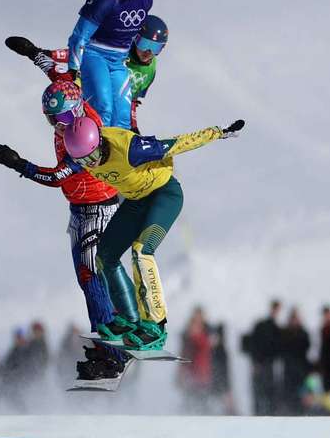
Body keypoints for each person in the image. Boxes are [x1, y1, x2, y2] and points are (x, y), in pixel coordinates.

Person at [0, 80, 131, 380]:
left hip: (97, 210)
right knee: (91, 279)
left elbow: (57, 177)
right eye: (52, 119)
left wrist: (18, 164)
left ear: (76, 111)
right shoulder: (71, 122)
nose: (58, 126)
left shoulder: (83, 136)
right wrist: (37, 57)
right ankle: (113, 339)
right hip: (82, 210)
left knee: (93, 279)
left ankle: (113, 353)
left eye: (63, 118)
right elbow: (67, 77)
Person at [64, 115, 245, 349]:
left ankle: (156, 326)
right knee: (104, 256)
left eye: (93, 156)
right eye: (84, 161)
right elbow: (57, 174)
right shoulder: (80, 154)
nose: (92, 164)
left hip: (164, 195)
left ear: (99, 142)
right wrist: (22, 166)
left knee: (141, 251)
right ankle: (130, 319)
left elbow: (177, 143)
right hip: (137, 200)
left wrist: (218, 132)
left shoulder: (130, 148)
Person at [7, 14, 168, 134]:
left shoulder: (151, 70)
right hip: (88, 90)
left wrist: (133, 126)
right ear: (135, 38)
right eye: (145, 44)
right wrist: (47, 53)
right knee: (66, 83)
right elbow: (82, 54)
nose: (148, 52)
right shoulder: (119, 49)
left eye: (156, 48)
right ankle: (35, 55)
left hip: (109, 113)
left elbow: (132, 99)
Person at [66, 0, 158, 128]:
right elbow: (79, 36)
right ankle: (95, 150)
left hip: (118, 61)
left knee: (123, 116)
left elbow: (132, 35)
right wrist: (73, 71)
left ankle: (118, 154)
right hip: (94, 54)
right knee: (103, 108)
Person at [241, 300, 283, 415]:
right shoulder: (262, 325)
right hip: (260, 366)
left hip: (269, 367)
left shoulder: (276, 328)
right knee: (259, 396)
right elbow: (253, 345)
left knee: (269, 396)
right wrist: (256, 363)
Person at [178, 306, 213, 413]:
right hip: (191, 370)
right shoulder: (187, 335)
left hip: (203, 371)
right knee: (189, 400)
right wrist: (181, 373)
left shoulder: (208, 333)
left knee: (203, 401)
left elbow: (207, 350)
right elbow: (183, 353)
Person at [280, 306, 311, 415]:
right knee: (290, 400)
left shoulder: (304, 333)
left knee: (302, 398)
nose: (295, 320)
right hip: (289, 372)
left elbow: (307, 350)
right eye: (293, 318)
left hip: (302, 372)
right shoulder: (285, 333)